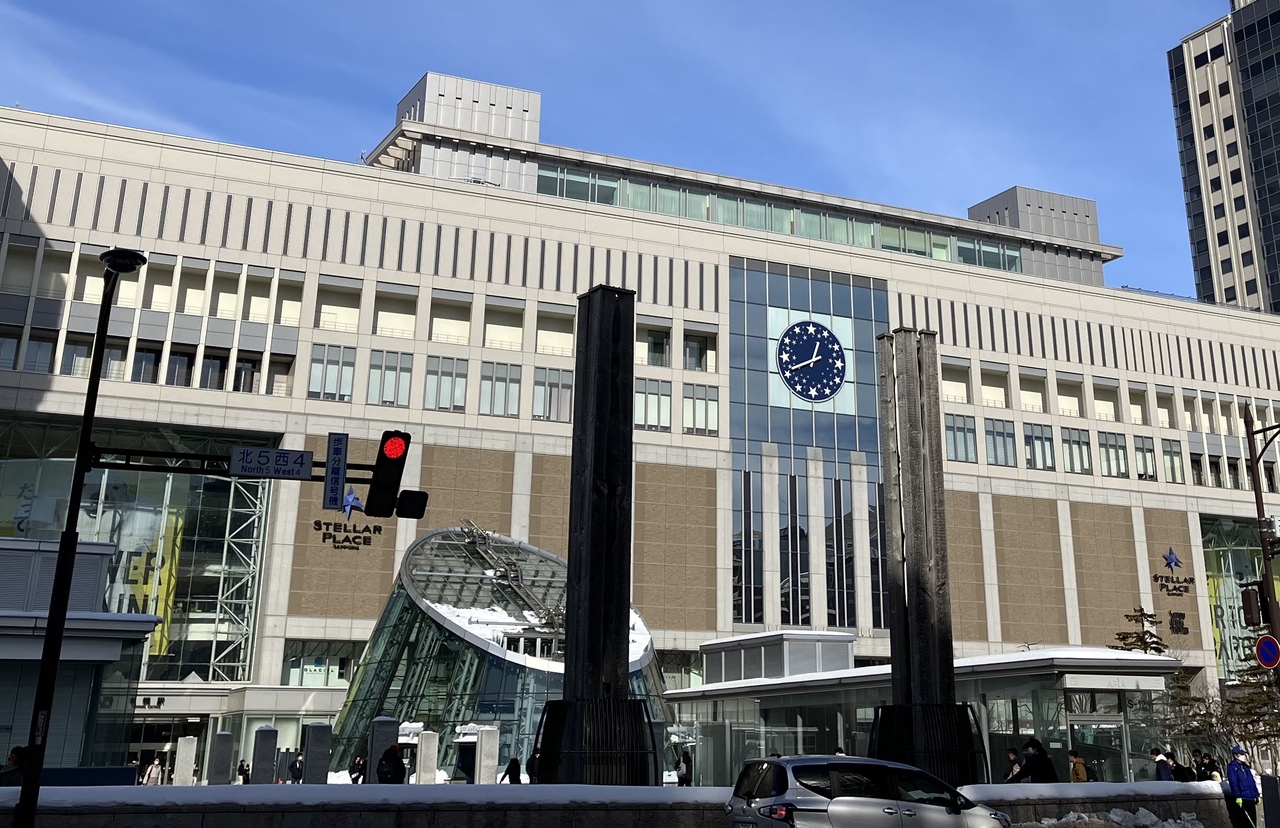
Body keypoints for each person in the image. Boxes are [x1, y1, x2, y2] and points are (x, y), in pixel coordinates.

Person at [1227, 746, 1260, 828]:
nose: (1243, 756)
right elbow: (1233, 783)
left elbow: (1251, 782)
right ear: (1235, 755)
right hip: (1242, 798)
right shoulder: (1232, 767)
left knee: (1252, 822)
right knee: (1243, 823)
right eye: (1241, 754)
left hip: (1250, 798)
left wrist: (1256, 794)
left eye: (1243, 754)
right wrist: (1238, 796)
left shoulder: (1246, 767)